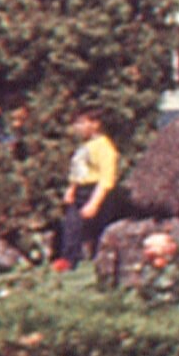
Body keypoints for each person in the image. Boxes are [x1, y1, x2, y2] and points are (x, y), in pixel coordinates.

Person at [54, 109, 122, 270]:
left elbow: (107, 177)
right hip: (81, 189)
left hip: (95, 191)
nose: (78, 127)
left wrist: (94, 203)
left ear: (95, 124)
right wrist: (72, 188)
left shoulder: (104, 147)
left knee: (96, 230)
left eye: (82, 123)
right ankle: (68, 259)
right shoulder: (86, 145)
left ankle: (99, 262)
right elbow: (79, 170)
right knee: (71, 226)